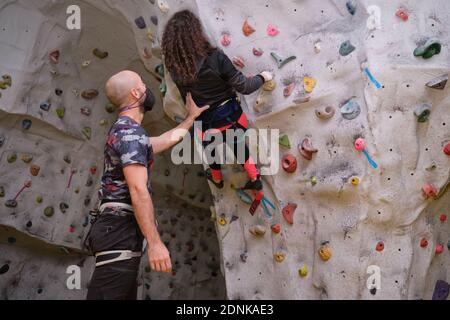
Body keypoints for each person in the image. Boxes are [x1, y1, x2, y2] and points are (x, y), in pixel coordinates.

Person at [85, 70, 209, 300]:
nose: (145, 88)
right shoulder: (130, 134)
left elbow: (161, 141)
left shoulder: (125, 132)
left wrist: (190, 118)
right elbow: (138, 189)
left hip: (117, 229)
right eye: (142, 84)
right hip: (119, 229)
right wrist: (155, 243)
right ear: (135, 93)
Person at [162, 10, 273, 191]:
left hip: (206, 123)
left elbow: (188, 101)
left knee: (210, 149)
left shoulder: (176, 70)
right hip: (233, 118)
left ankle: (217, 178)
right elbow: (244, 86)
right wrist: (263, 77)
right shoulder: (215, 57)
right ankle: (254, 177)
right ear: (197, 33)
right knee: (236, 143)